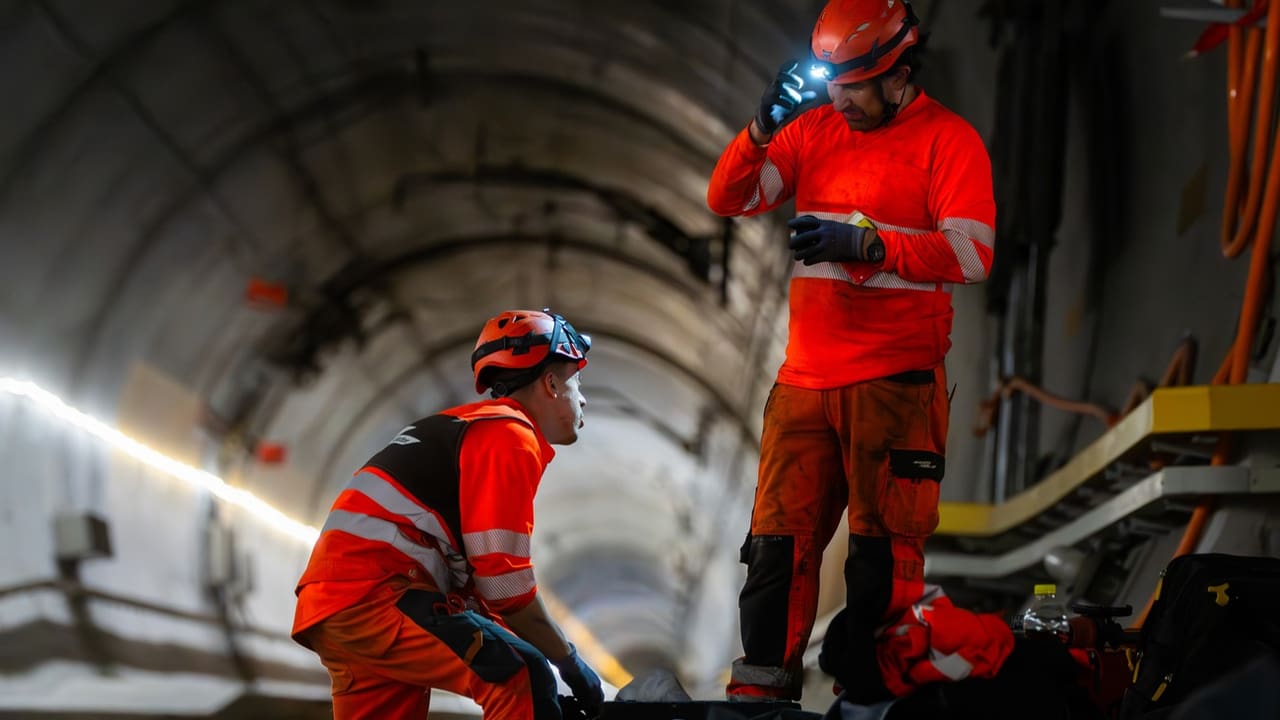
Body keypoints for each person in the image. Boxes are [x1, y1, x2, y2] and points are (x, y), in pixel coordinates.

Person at [706, 0, 997, 704]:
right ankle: (762, 697)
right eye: (832, 84)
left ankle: (870, 699)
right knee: (777, 549)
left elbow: (973, 253)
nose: (841, 100)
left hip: (895, 385)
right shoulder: (814, 132)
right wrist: (761, 129)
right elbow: (729, 197)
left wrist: (869, 245)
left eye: (856, 86)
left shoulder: (949, 142)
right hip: (804, 382)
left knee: (879, 557)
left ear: (898, 75)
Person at [291, 309, 605, 719]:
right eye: (575, 381)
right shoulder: (509, 435)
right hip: (379, 595)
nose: (581, 398)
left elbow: (481, 589)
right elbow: (504, 585)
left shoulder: (468, 427)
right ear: (549, 383)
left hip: (337, 604)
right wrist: (569, 662)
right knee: (520, 674)